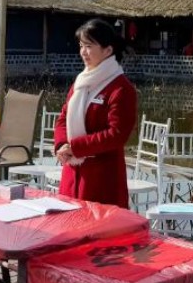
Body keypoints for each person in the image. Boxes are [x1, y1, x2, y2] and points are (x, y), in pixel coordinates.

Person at [54, 18, 137, 208]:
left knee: (99, 232)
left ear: (108, 50)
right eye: (81, 45)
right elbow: (62, 118)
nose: (83, 51)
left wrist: (76, 147)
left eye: (89, 46)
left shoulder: (121, 88)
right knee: (69, 228)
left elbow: (116, 135)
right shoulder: (81, 82)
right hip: (72, 173)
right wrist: (61, 145)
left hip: (102, 179)